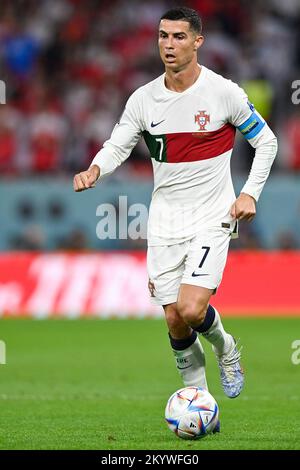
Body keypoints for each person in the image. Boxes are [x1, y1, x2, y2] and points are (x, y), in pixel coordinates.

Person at [73, 7, 277, 404]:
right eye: (163, 36)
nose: (169, 44)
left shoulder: (224, 93)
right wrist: (96, 169)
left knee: (191, 306)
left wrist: (249, 192)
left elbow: (266, 141)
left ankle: (226, 347)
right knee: (174, 319)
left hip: (213, 215)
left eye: (179, 37)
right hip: (165, 219)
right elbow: (118, 143)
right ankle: (197, 401)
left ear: (198, 41)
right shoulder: (144, 99)